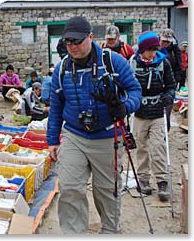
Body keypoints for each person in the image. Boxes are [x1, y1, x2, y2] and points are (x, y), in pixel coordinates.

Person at [47, 16, 142, 234]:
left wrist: (125, 106)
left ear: (91, 37)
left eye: (78, 41)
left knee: (107, 190)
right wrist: (52, 140)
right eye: (68, 43)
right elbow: (55, 107)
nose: (73, 47)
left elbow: (135, 91)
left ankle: (110, 231)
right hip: (74, 135)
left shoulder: (114, 61)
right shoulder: (61, 69)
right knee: (70, 187)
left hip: (108, 136)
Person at [129, 31, 176, 202]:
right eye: (149, 49)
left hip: (157, 111)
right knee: (141, 147)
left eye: (155, 49)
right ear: (142, 49)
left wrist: (169, 97)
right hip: (140, 112)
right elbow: (127, 85)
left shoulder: (163, 63)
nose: (153, 53)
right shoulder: (133, 63)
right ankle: (143, 179)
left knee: (158, 146)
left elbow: (171, 85)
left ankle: (162, 181)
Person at [159, 28, 182, 131]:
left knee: (167, 108)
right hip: (157, 81)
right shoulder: (155, 48)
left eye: (167, 42)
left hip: (169, 82)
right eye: (163, 41)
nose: (165, 44)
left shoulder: (175, 50)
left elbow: (179, 66)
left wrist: (176, 80)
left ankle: (166, 129)